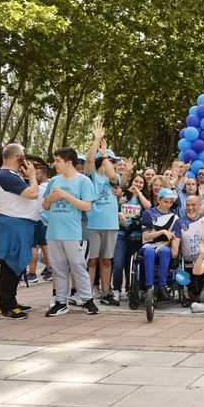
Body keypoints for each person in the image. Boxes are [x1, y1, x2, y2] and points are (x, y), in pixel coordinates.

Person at [43, 147, 98, 317]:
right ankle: (60, 302)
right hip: (53, 232)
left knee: (78, 267)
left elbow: (87, 206)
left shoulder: (83, 181)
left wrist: (65, 196)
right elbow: (45, 205)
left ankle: (87, 300)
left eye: (57, 160)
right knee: (58, 269)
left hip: (74, 233)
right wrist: (49, 199)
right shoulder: (54, 181)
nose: (55, 164)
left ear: (68, 162)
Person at [0, 143, 39, 319]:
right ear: (19, 157)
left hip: (19, 224)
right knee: (11, 264)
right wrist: (32, 176)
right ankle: (7, 306)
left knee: (15, 265)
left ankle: (10, 301)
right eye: (24, 155)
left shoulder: (9, 175)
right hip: (14, 224)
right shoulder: (5, 175)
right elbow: (32, 193)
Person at [84, 121, 121, 301]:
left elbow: (113, 175)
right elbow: (89, 161)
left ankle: (106, 292)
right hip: (92, 224)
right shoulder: (91, 177)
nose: (113, 164)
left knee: (106, 260)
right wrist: (96, 140)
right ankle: (87, 294)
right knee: (91, 260)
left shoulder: (114, 179)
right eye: (112, 161)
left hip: (110, 225)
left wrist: (105, 154)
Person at [111, 173, 151, 305]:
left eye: (141, 182)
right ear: (131, 182)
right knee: (118, 264)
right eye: (136, 181)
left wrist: (138, 193)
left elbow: (148, 207)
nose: (138, 184)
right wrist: (119, 212)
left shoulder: (143, 198)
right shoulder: (123, 197)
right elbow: (112, 209)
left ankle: (130, 289)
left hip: (136, 236)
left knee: (131, 265)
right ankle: (116, 289)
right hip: (121, 234)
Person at [140, 188, 179, 300]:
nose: (168, 205)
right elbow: (146, 236)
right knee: (149, 252)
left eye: (170, 202)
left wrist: (164, 244)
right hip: (148, 246)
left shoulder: (174, 217)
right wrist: (162, 232)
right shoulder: (148, 213)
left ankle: (163, 286)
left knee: (165, 251)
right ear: (159, 200)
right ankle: (149, 287)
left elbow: (174, 238)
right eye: (165, 201)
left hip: (164, 246)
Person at [26, 164, 51, 284]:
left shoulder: (39, 188)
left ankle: (32, 273)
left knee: (34, 247)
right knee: (45, 247)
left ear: (44, 175)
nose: (35, 175)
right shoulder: (53, 186)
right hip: (49, 221)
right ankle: (50, 270)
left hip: (38, 219)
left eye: (37, 173)